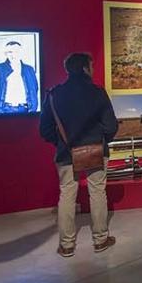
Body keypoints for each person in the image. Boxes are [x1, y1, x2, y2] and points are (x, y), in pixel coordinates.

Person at [39, 52, 118, 257]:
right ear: (85, 68)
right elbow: (111, 126)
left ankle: (66, 245)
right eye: (91, 66)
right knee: (97, 192)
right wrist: (101, 141)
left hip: (66, 153)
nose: (93, 70)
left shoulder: (55, 94)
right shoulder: (97, 92)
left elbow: (44, 129)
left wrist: (60, 142)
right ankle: (100, 240)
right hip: (95, 151)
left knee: (67, 195)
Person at [0, 40, 38, 114]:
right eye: (10, 52)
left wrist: (33, 108)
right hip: (3, 110)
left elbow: (35, 89)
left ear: (21, 53)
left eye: (16, 51)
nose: (13, 55)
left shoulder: (29, 69)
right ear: (6, 54)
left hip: (26, 110)